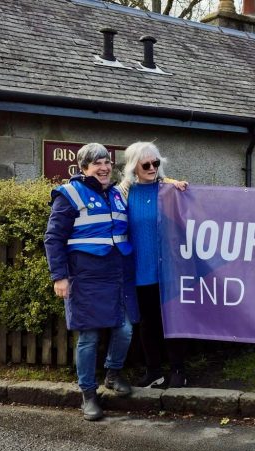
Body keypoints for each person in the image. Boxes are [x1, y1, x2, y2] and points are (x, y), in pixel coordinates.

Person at [44, 143, 138, 421]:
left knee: (125, 329)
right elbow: (53, 238)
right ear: (84, 168)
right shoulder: (70, 194)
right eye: (97, 163)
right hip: (85, 278)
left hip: (117, 275)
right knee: (89, 337)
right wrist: (59, 277)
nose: (104, 167)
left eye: (107, 162)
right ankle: (88, 395)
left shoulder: (117, 194)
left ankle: (112, 373)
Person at [116, 142, 189, 389]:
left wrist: (176, 185)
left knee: (173, 320)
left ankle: (179, 370)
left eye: (155, 163)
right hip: (140, 269)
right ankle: (154, 371)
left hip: (169, 270)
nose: (152, 168)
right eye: (145, 164)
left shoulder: (169, 190)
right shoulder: (126, 192)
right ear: (133, 167)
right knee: (148, 323)